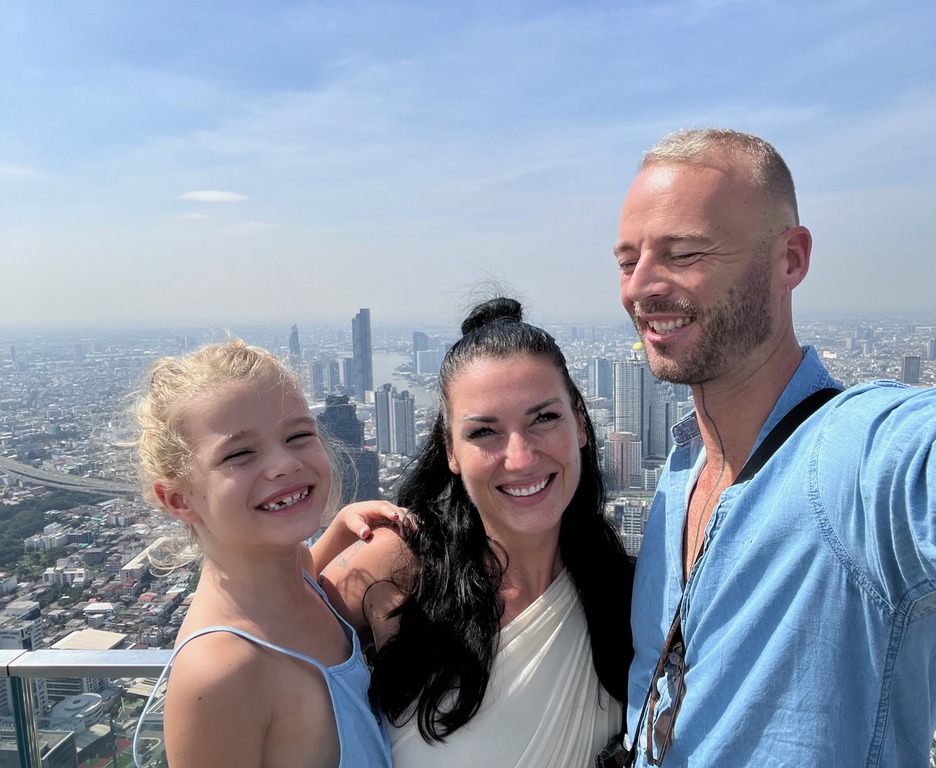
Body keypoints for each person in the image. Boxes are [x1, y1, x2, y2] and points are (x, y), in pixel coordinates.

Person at [614, 127, 936, 766]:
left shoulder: (854, 462)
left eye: (685, 253)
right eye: (626, 260)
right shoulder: (679, 470)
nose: (640, 286)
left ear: (790, 260)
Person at [313, 297, 634, 768]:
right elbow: (261, 641)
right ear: (450, 452)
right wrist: (332, 542)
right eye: (484, 432)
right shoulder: (399, 565)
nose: (520, 457)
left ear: (581, 424)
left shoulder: (626, 591)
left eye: (544, 418)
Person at [130, 340, 392, 768]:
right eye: (239, 454)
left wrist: (342, 525)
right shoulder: (221, 673)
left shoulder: (294, 570)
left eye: (299, 435)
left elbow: (310, 571)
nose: (285, 464)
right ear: (178, 499)